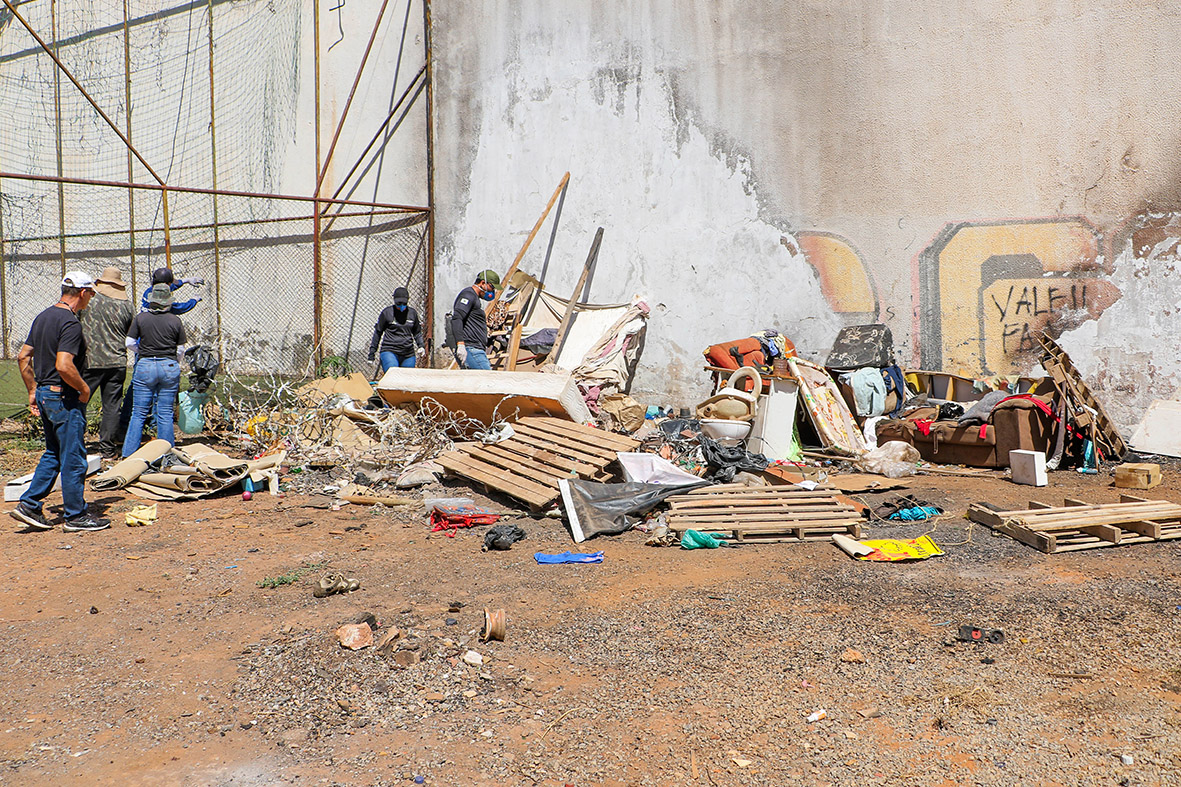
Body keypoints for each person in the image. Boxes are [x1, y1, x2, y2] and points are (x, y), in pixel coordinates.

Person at [10, 272, 110, 532]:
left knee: (54, 452)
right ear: (82, 293)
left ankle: (29, 504)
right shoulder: (70, 323)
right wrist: (84, 388)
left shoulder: (43, 316)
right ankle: (76, 516)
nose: (91, 298)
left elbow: (23, 357)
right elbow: (64, 365)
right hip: (63, 397)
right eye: (91, 293)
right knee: (74, 456)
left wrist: (33, 390)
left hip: (45, 394)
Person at [122, 284, 187, 457]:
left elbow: (129, 342)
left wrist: (142, 351)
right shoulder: (175, 320)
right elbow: (180, 349)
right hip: (168, 365)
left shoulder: (141, 318)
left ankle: (129, 454)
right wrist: (173, 361)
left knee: (138, 412)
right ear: (167, 302)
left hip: (146, 365)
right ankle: (167, 454)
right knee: (165, 412)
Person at [79, 266, 135, 459]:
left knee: (79, 403)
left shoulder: (89, 301)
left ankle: (76, 445)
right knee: (112, 406)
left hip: (90, 361)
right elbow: (130, 334)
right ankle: (108, 450)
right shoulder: (127, 306)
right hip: (117, 361)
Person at [450, 269, 500, 370]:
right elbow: (457, 318)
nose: (492, 292)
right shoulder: (468, 295)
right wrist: (460, 344)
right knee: (488, 381)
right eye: (492, 287)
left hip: (475, 349)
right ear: (482, 283)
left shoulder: (474, 298)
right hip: (471, 349)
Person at [368, 286, 426, 372]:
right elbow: (378, 333)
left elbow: (417, 332)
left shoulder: (412, 313)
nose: (401, 307)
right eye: (398, 304)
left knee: (406, 380)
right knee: (393, 375)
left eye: (404, 304)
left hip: (408, 353)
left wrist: (421, 346)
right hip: (390, 350)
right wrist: (372, 354)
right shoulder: (387, 313)